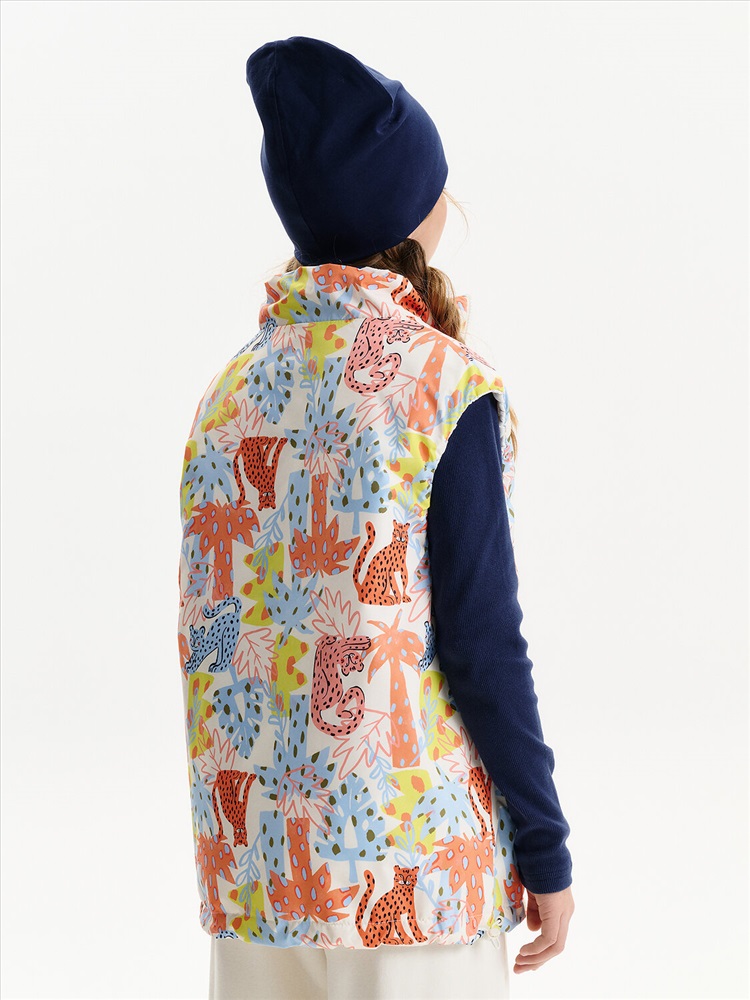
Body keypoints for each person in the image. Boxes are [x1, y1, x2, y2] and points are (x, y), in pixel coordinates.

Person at [177, 35, 575, 1000]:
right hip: (412, 880)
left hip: (257, 881)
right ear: (407, 207)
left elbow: (213, 635)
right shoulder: (441, 387)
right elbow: (483, 643)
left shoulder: (231, 393)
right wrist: (546, 846)